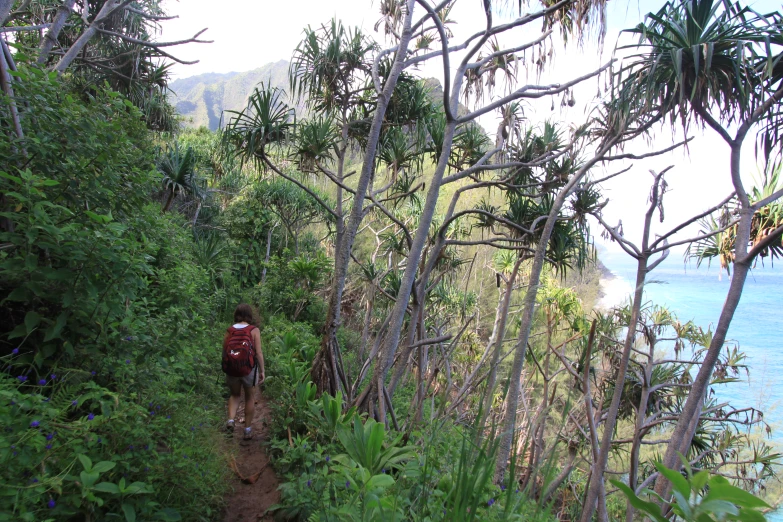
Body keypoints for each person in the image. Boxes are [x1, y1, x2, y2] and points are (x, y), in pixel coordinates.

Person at [222, 303, 265, 440]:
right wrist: (262, 370)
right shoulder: (254, 330)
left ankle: (230, 420)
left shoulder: (229, 330)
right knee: (249, 398)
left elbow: (224, 351)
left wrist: (226, 366)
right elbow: (258, 353)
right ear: (249, 315)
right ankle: (247, 430)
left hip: (232, 369)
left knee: (234, 395)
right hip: (248, 369)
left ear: (236, 314)